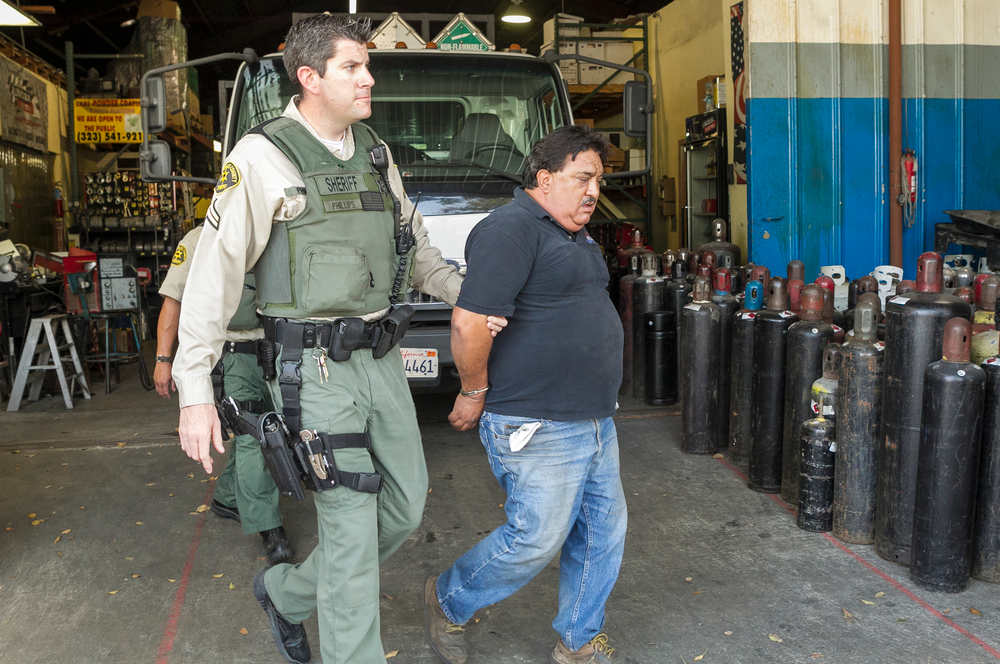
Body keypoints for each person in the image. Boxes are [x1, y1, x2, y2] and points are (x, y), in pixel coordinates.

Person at [171, 15, 503, 664]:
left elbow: (416, 252)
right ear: (310, 77)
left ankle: (286, 593)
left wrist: (472, 297)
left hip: (382, 361)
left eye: (366, 65)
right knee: (349, 528)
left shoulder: (376, 152)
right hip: (312, 370)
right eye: (352, 67)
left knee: (404, 508)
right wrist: (194, 391)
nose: (368, 78)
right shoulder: (261, 158)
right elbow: (212, 278)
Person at [426, 125, 627, 664]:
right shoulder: (509, 230)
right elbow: (469, 322)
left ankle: (577, 641)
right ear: (545, 178)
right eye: (582, 178)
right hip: (536, 420)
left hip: (592, 419)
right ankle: (448, 598)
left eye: (599, 181)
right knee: (535, 538)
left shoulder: (574, 232)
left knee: (602, 534)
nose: (594, 191)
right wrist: (473, 391)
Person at [155, 224, 291, 564]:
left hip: (280, 348)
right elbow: (173, 302)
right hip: (236, 351)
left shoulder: (280, 229)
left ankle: (228, 496)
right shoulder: (199, 239)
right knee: (255, 434)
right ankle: (268, 526)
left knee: (273, 428)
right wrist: (162, 360)